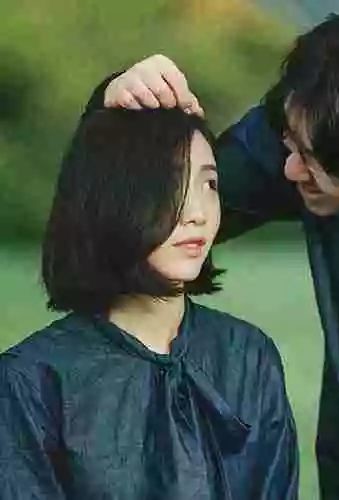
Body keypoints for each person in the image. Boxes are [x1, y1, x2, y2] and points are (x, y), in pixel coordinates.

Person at [89, 4, 339, 499]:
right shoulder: (307, 128)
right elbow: (145, 223)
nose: (288, 170)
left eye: (312, 162)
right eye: (290, 143)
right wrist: (115, 109)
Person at [0, 108, 298, 499]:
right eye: (171, 184)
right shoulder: (33, 379)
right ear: (111, 199)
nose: (198, 213)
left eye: (209, 184)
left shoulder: (248, 354)